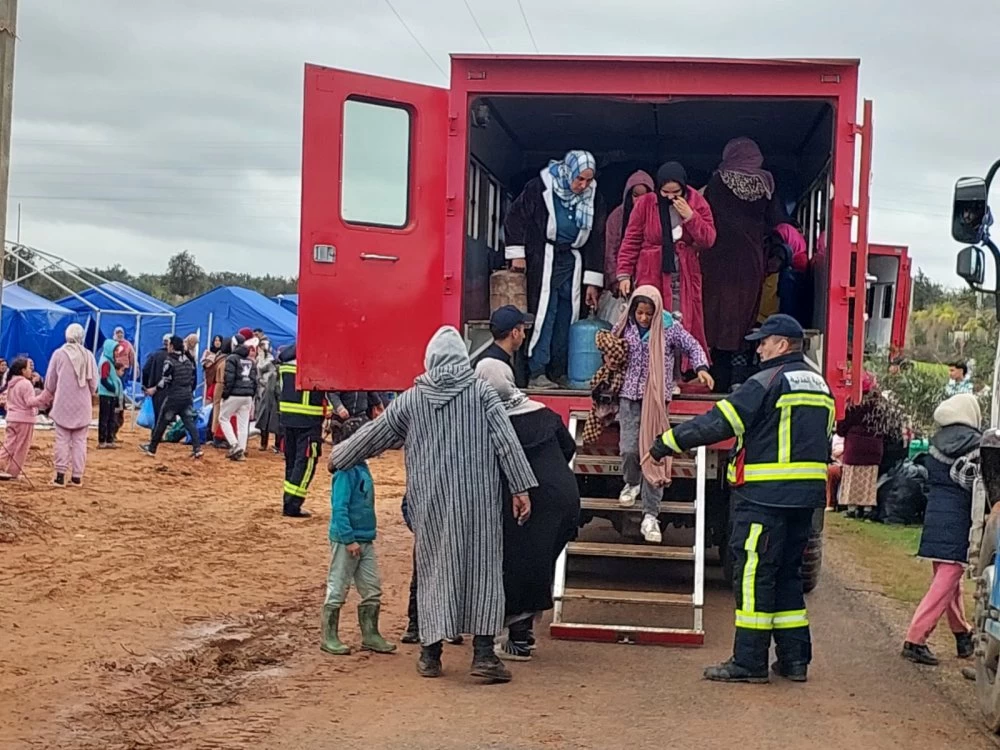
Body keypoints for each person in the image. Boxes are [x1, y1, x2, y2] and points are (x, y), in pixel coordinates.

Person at [330, 326, 537, 683]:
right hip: (480, 500)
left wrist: (339, 456)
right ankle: (484, 654)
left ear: (430, 360)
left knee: (433, 570)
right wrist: (521, 488)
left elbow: (373, 435)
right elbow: (506, 443)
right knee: (484, 571)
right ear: (461, 359)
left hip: (431, 503)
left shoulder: (412, 399)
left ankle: (430, 654)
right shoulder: (482, 393)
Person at [650, 314, 834, 683]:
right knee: (787, 577)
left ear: (782, 345)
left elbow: (718, 423)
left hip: (765, 497)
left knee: (752, 576)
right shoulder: (820, 385)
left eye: (764, 341)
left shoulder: (765, 382)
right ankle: (795, 661)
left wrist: (665, 442)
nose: (759, 347)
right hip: (805, 499)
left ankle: (749, 662)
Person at [476, 358, 581, 661]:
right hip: (566, 499)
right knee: (539, 563)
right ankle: (524, 634)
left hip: (530, 502)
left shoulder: (492, 422)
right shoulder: (542, 412)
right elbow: (569, 447)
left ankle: (519, 639)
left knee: (518, 565)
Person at [616, 287, 713, 543]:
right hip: (628, 397)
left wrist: (701, 368)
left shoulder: (670, 328)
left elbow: (692, 345)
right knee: (629, 449)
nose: (644, 318)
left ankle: (650, 515)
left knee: (654, 455)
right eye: (640, 312)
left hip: (657, 400)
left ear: (657, 311)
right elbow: (611, 346)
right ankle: (632, 482)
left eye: (649, 313)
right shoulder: (625, 323)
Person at [503, 150, 607, 389]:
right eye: (579, 178)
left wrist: (593, 281)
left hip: (573, 262)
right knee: (544, 316)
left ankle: (559, 370)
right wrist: (517, 254)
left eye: (588, 179)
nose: (583, 185)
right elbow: (515, 218)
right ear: (568, 171)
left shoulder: (594, 197)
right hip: (544, 259)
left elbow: (597, 239)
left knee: (568, 316)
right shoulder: (539, 187)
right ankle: (537, 370)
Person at [902, 394, 980, 666]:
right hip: (958, 518)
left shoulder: (937, 442)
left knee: (949, 581)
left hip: (935, 516)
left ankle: (963, 635)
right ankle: (915, 639)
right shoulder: (976, 444)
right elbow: (975, 483)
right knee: (946, 582)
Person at [701, 137, 783, 392]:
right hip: (750, 262)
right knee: (743, 318)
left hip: (716, 260)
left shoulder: (716, 182)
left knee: (715, 315)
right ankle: (739, 376)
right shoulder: (766, 185)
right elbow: (776, 221)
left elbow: (705, 214)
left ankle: (716, 375)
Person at [616, 162, 716, 355]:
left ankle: (677, 372)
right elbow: (631, 239)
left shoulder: (696, 201)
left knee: (680, 321)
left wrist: (691, 216)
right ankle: (648, 370)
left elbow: (708, 239)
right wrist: (624, 275)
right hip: (651, 272)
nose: (670, 197)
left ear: (684, 187)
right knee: (648, 318)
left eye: (676, 192)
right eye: (665, 192)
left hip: (683, 273)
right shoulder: (646, 203)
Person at [321, 417, 396, 657]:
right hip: (349, 540)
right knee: (338, 587)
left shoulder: (360, 467)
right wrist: (348, 538)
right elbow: (339, 508)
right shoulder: (346, 472)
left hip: (363, 538)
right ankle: (329, 636)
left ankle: (370, 635)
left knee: (372, 588)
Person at [40, 323, 98, 487]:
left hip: (63, 403)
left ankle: (59, 476)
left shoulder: (59, 354)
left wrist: (50, 392)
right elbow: (94, 384)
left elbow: (50, 381)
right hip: (83, 404)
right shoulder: (88, 355)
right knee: (80, 441)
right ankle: (77, 477)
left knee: (62, 440)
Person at [277, 342, 326, 518]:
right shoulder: (314, 364)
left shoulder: (284, 362)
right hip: (309, 421)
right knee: (306, 464)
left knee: (291, 463)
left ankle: (288, 501)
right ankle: (293, 504)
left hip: (287, 420)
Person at [140, 335, 203, 459]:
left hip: (173, 397)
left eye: (169, 344)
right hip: (187, 396)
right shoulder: (187, 360)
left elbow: (165, 381)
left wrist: (154, 389)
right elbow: (192, 379)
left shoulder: (170, 361)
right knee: (188, 422)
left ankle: (152, 448)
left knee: (162, 422)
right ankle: (197, 448)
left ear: (172, 346)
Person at [836, 373, 888, 518]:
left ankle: (851, 508)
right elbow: (886, 426)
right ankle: (867, 509)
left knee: (852, 477)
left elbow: (842, 426)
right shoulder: (881, 403)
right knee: (868, 479)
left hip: (855, 448)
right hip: (874, 448)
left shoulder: (853, 402)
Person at [604, 170, 654, 296]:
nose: (640, 201)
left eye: (645, 196)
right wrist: (615, 279)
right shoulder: (616, 217)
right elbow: (611, 251)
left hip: (650, 278)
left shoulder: (658, 216)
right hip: (623, 281)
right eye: (636, 195)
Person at [0, 358, 47, 480]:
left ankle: (1, 465)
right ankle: (13, 472)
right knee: (21, 447)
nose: (31, 370)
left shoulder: (11, 383)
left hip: (12, 418)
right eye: (29, 368)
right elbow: (30, 401)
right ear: (22, 370)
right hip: (24, 420)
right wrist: (44, 397)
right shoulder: (26, 384)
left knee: (9, 444)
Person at [219, 341, 257, 460]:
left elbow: (229, 378)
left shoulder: (231, 359)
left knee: (223, 418)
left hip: (235, 393)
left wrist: (225, 394)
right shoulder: (251, 362)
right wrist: (252, 394)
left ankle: (234, 445)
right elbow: (254, 380)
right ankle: (242, 448)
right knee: (243, 424)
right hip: (248, 395)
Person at [474, 305, 531, 374]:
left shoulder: (491, 358)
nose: (524, 336)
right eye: (522, 331)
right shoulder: (496, 367)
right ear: (515, 333)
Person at [255, 341, 282, 452]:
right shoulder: (270, 364)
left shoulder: (281, 368)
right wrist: (261, 382)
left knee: (277, 422)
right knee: (265, 420)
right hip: (266, 395)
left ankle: (276, 445)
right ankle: (264, 443)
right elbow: (259, 371)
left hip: (276, 397)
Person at [97, 339, 124, 449]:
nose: (117, 352)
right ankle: (102, 440)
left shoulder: (110, 362)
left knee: (111, 418)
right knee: (105, 418)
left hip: (111, 395)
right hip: (106, 394)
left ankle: (109, 440)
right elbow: (104, 379)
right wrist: (113, 388)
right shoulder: (105, 362)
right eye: (115, 350)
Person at [142, 334, 172, 425]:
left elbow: (145, 370)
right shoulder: (175, 357)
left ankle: (155, 435)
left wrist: (145, 386)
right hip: (169, 389)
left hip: (155, 389)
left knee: (157, 414)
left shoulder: (154, 354)